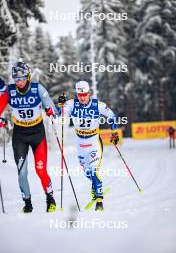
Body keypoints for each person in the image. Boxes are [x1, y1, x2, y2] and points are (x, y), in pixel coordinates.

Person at [0, 60, 57, 213]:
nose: (19, 82)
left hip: (37, 134)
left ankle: (50, 198)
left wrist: (51, 111)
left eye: (22, 78)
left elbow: (51, 106)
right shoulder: (10, 91)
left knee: (40, 170)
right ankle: (27, 203)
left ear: (28, 76)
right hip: (19, 135)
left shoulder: (38, 88)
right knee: (22, 173)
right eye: (16, 79)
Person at [57, 81, 119, 211]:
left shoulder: (98, 105)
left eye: (84, 94)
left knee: (93, 170)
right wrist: (60, 105)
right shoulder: (71, 104)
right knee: (87, 172)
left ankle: (99, 200)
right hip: (80, 143)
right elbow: (58, 114)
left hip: (94, 141)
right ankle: (96, 185)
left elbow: (112, 116)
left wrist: (114, 133)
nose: (82, 97)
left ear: (89, 93)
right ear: (77, 94)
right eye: (80, 95)